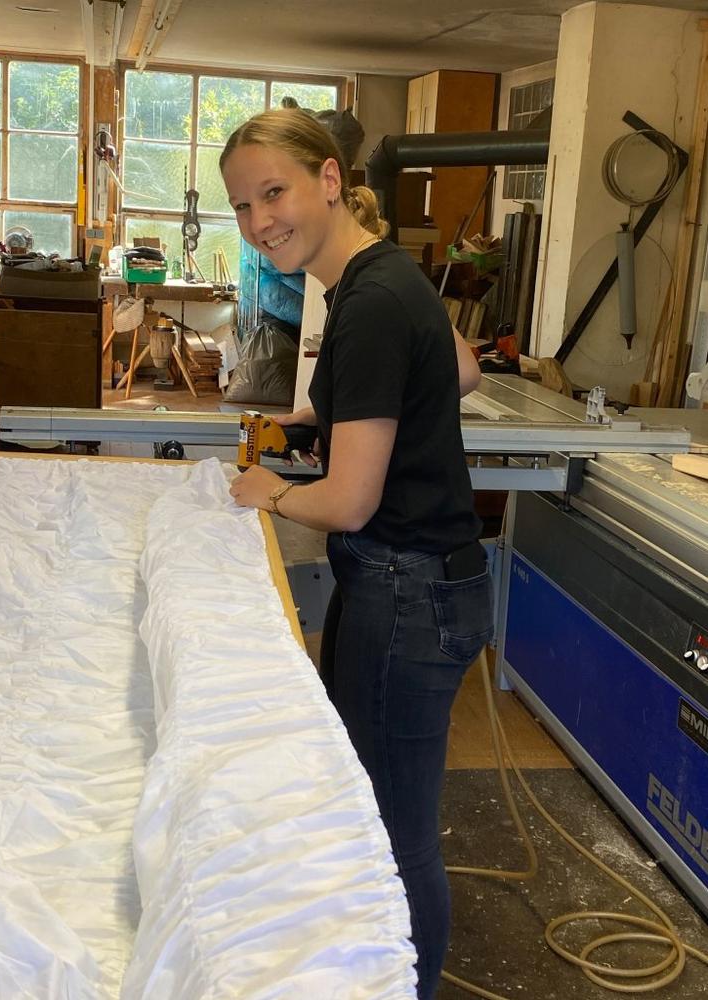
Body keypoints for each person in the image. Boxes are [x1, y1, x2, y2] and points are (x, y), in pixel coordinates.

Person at [220, 109, 494, 1000]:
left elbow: (348, 502)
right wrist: (324, 415)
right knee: (381, 816)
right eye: (243, 206)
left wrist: (271, 492)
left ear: (330, 179)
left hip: (407, 593)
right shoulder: (381, 273)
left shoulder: (368, 302)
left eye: (275, 192)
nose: (260, 220)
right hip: (423, 585)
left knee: (392, 836)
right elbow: (461, 369)